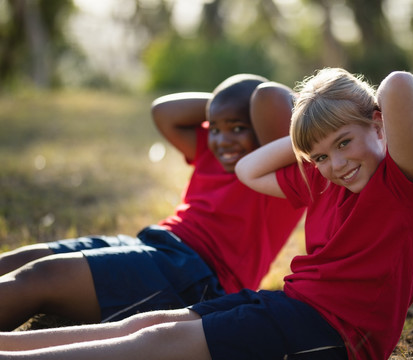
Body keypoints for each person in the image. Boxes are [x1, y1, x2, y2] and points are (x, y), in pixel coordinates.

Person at [0, 68, 413, 360]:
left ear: (377, 124)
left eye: (344, 143)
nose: (336, 163)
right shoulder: (323, 179)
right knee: (147, 324)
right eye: (319, 156)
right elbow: (251, 171)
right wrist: (308, 142)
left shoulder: (406, 185)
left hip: (337, 336)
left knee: (156, 344)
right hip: (293, 303)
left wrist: (324, 117)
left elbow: (399, 86)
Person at [0, 74, 304, 331]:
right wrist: (223, 106)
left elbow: (270, 97)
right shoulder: (212, 150)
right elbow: (163, 111)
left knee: (40, 277)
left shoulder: (278, 173)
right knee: (26, 259)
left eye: (237, 127)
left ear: (261, 126)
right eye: (214, 128)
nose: (223, 140)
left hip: (196, 275)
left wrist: (238, 102)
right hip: (154, 243)